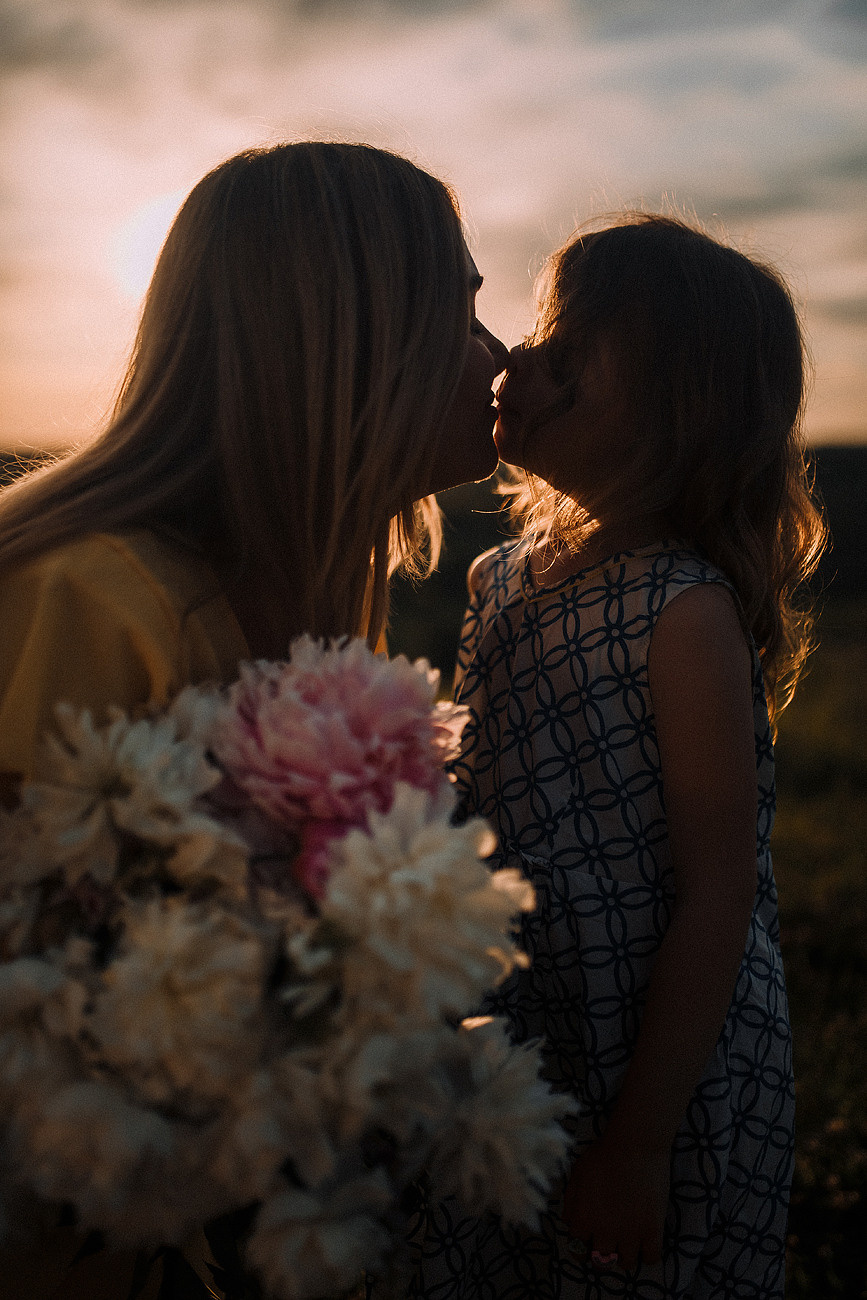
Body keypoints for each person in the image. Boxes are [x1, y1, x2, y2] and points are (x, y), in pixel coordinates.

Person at [0, 141, 507, 1300]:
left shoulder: (308, 615)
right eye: (463, 310)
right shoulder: (90, 599)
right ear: (351, 332)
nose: (502, 355)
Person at [407, 214, 827, 1298]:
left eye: (567, 354)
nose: (514, 360)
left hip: (651, 1042)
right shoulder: (502, 573)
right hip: (523, 1009)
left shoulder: (682, 611)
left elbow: (718, 893)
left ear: (672, 417)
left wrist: (643, 1139)